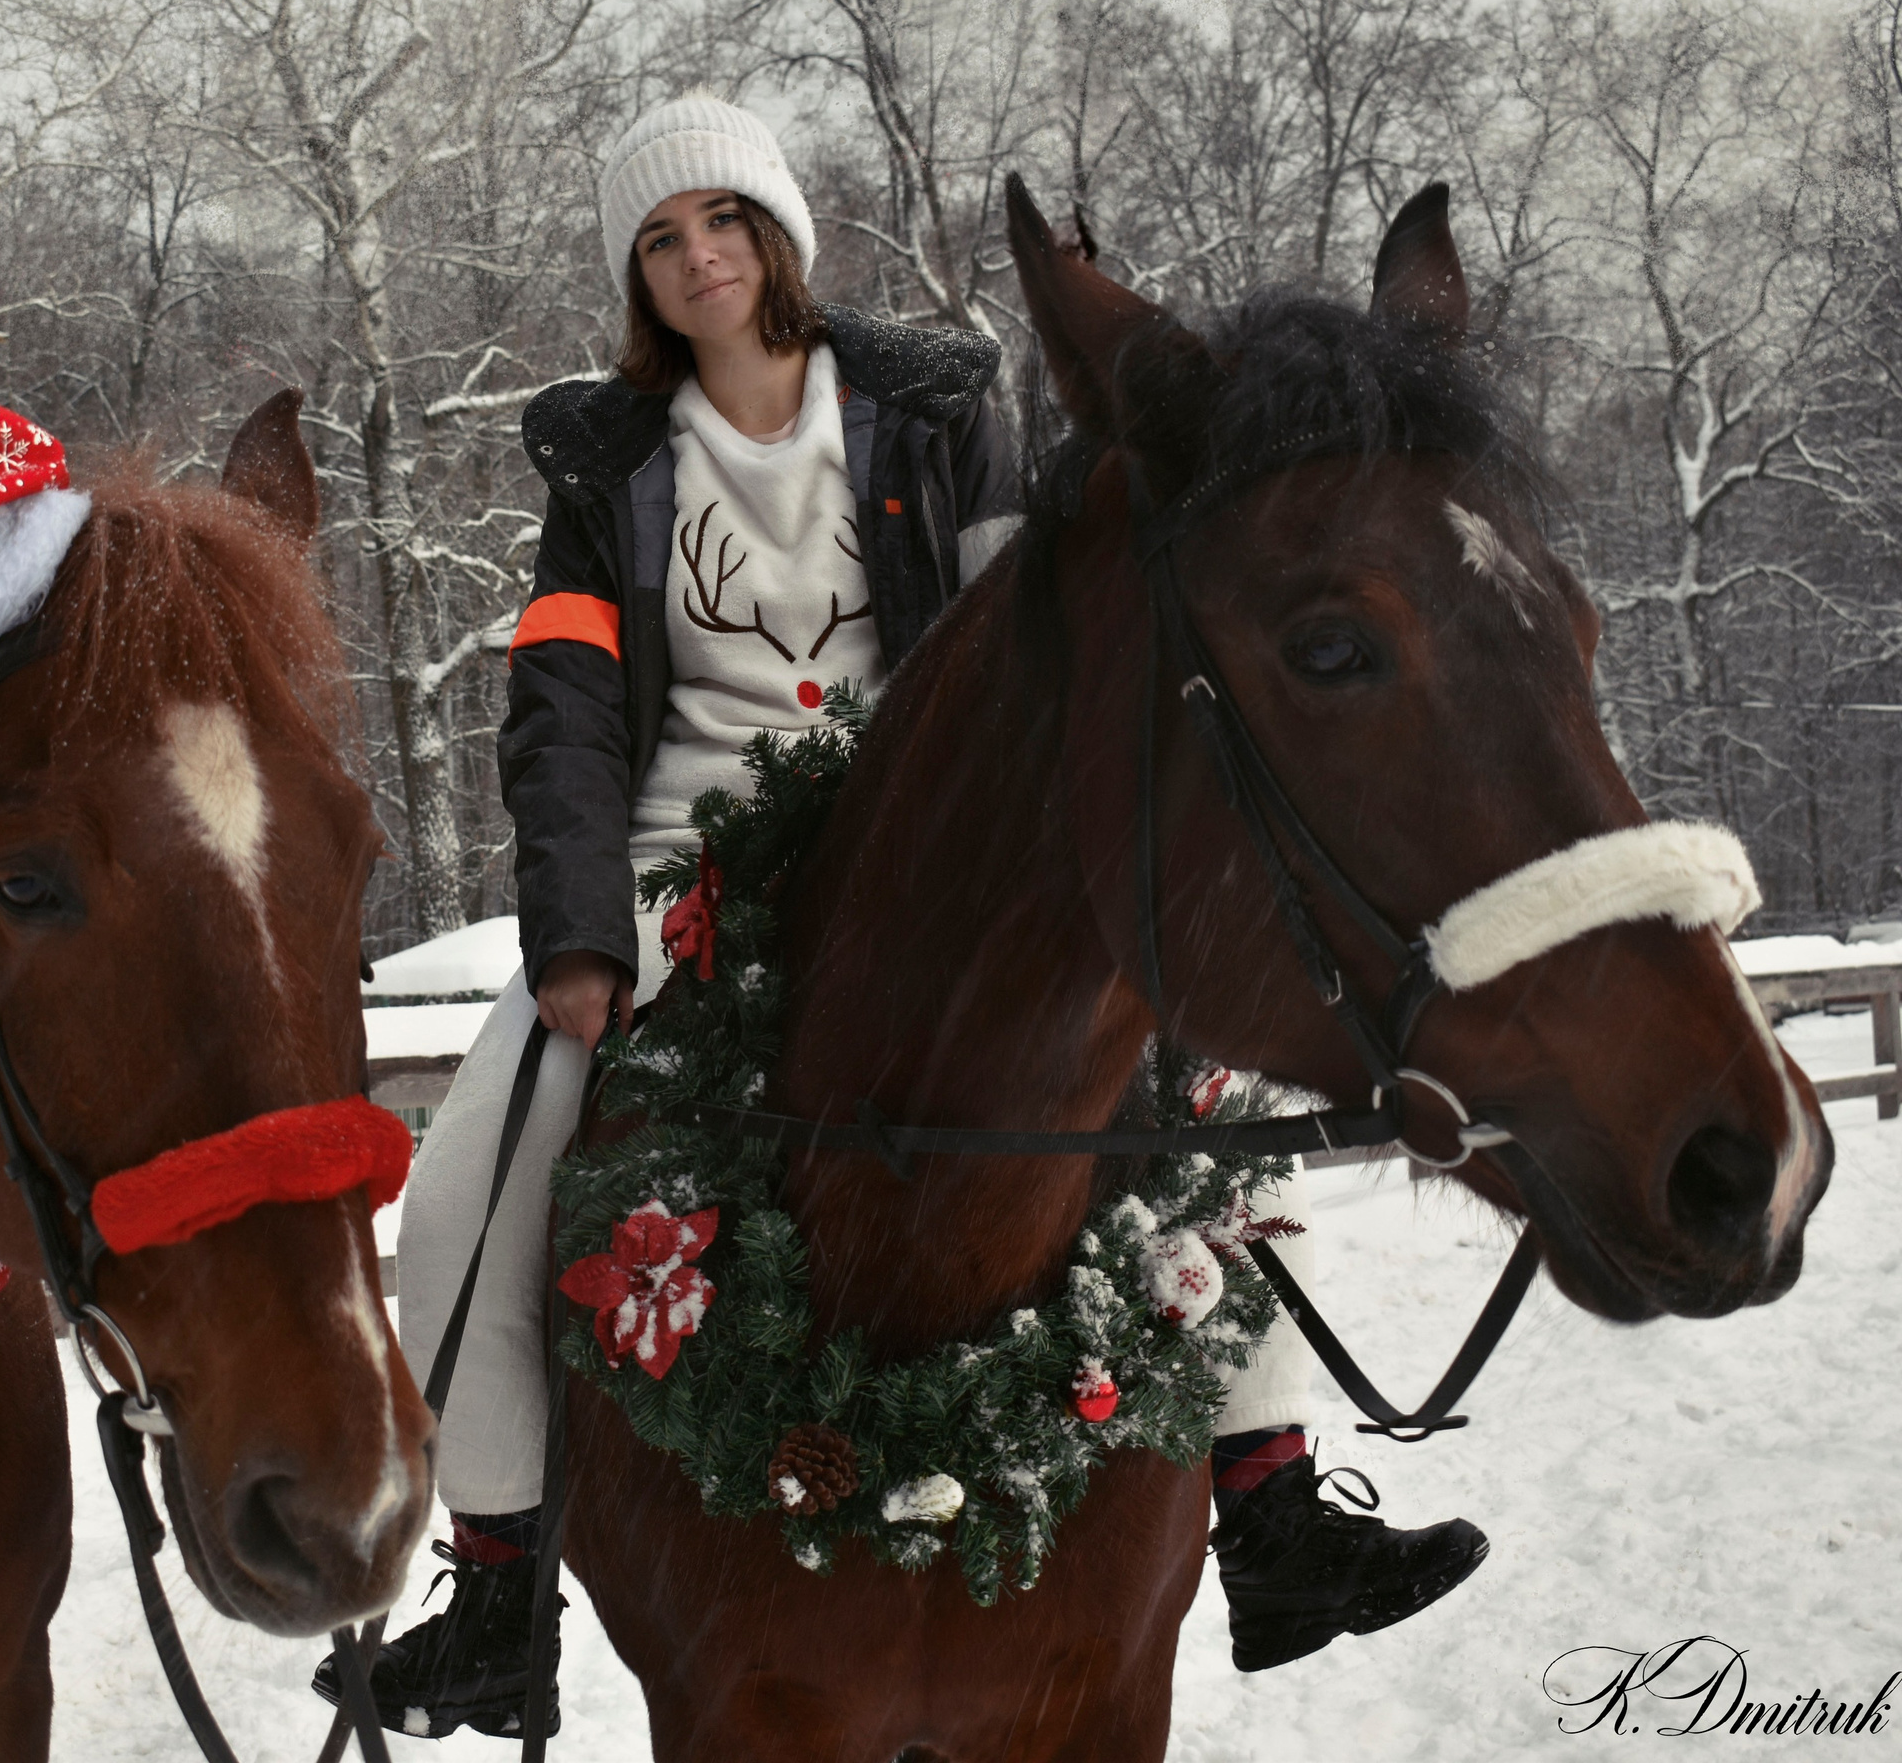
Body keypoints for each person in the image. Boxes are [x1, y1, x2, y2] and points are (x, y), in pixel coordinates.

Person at [315, 93, 1486, 1739]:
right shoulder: (605, 467)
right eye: (661, 240)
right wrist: (575, 930)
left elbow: (1040, 634)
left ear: (777, 233)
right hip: (684, 864)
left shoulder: (932, 410)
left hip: (919, 842)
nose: (698, 257)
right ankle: (499, 1590)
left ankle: (1276, 1511)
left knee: (1199, 1106)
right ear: (635, 277)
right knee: (461, 1200)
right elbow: (565, 709)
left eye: (722, 221)